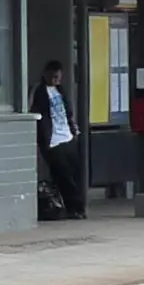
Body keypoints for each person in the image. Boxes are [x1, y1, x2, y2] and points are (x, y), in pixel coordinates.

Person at [35, 58, 87, 220]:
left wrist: (73, 128)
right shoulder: (39, 92)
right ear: (45, 75)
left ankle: (78, 207)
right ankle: (73, 207)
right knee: (63, 175)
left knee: (74, 173)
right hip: (52, 140)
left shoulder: (61, 91)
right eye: (52, 77)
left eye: (57, 77)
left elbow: (68, 112)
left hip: (67, 137)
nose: (55, 80)